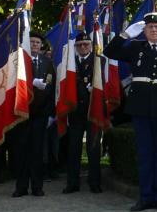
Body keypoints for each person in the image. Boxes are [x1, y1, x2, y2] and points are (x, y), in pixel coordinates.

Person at [107, 12, 157, 212]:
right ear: (144, 30)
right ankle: (144, 197)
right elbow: (110, 52)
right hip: (141, 109)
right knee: (144, 155)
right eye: (150, 27)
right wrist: (125, 35)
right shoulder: (136, 48)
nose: (153, 30)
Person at [13, 33, 54, 198]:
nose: (35, 45)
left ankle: (37, 187)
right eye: (32, 42)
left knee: (37, 152)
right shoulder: (19, 62)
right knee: (21, 151)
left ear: (41, 45)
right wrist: (31, 84)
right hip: (23, 114)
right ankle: (21, 187)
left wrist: (51, 114)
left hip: (40, 114)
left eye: (37, 42)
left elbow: (51, 89)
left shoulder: (47, 63)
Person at [63, 32, 104, 193]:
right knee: (73, 148)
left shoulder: (99, 61)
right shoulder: (70, 63)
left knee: (93, 149)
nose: (83, 47)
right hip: (75, 111)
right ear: (75, 47)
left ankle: (95, 183)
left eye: (86, 44)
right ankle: (72, 183)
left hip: (92, 110)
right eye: (79, 45)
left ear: (91, 45)